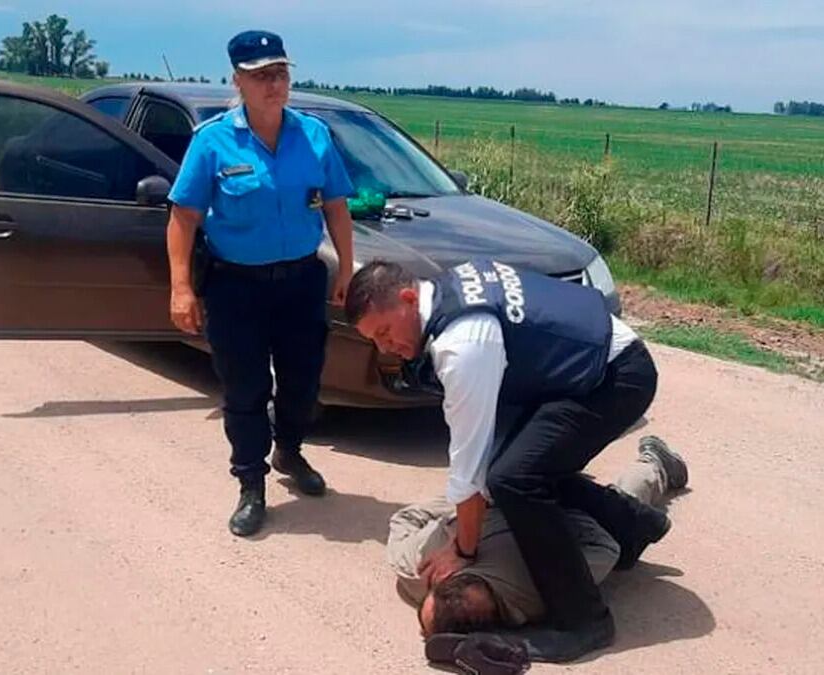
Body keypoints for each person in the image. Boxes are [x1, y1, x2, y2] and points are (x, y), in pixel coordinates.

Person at [345, 259, 670, 660]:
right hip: (583, 366)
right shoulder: (447, 290)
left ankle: (584, 620)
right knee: (521, 466)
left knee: (513, 479)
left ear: (408, 299)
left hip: (615, 378)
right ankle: (633, 523)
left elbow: (469, 464)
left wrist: (462, 551)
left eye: (384, 332)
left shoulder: (461, 345)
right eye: (373, 340)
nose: (385, 347)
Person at [166, 30, 355, 536]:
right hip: (236, 288)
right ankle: (251, 483)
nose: (274, 85)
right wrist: (181, 287)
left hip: (300, 282)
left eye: (281, 73)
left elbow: (336, 205)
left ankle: (289, 450)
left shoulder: (314, 136)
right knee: (246, 389)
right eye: (261, 76)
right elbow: (183, 217)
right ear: (238, 81)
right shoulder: (212, 142)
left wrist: (347, 268)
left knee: (304, 382)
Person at [387, 436, 689, 642]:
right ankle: (658, 464)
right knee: (624, 503)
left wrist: (472, 508)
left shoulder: (416, 567)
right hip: (567, 513)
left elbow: (406, 518)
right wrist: (556, 515)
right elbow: (607, 547)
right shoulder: (542, 592)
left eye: (441, 587)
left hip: (505, 490)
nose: (448, 580)